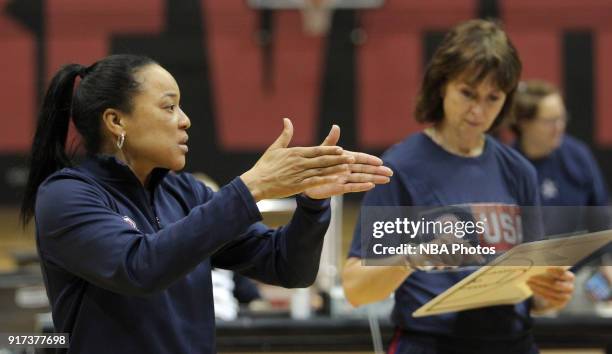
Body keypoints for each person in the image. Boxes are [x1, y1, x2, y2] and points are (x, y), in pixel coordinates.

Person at [19, 54, 393, 354]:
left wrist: (312, 204)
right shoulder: (66, 195)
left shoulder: (185, 193)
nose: (185, 121)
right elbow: (139, 267)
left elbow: (288, 268)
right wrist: (249, 189)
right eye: (169, 107)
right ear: (116, 121)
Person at [342, 20, 575, 354]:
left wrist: (550, 295)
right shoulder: (401, 167)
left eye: (492, 98)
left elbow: (532, 291)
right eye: (467, 93)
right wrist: (416, 256)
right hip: (431, 343)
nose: (478, 111)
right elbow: (355, 288)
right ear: (442, 85)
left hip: (512, 342)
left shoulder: (518, 170)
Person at [511, 80, 610, 236]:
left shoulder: (577, 155)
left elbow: (601, 215)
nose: (559, 127)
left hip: (579, 257)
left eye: (562, 118)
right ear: (524, 123)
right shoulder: (509, 165)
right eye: (549, 121)